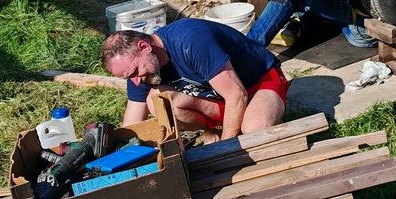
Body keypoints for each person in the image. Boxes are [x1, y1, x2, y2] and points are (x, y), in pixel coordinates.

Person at [101, 18, 288, 144]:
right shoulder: (137, 69)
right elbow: (131, 128)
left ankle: (262, 117)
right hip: (220, 97)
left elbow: (237, 95)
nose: (136, 81)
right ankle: (210, 136)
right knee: (156, 100)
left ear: (145, 47)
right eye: (128, 77)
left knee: (255, 130)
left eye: (135, 72)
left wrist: (225, 151)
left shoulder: (191, 41)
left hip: (257, 84)